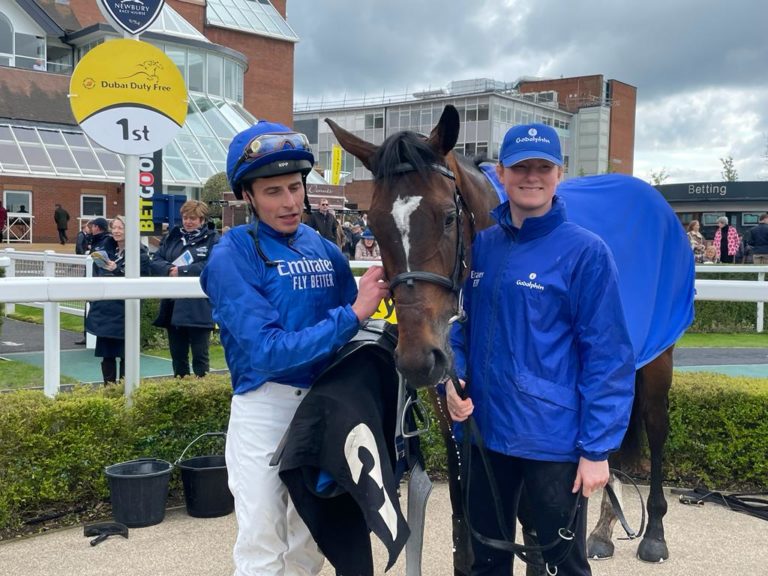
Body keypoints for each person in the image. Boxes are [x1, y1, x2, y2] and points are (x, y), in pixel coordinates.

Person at [200, 120, 388, 576]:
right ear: (248, 196)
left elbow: (354, 323)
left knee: (310, 541)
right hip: (265, 406)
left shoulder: (324, 248)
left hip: (324, 408)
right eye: (272, 192)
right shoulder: (232, 254)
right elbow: (266, 352)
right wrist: (355, 314)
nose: (289, 202)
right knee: (263, 540)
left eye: (294, 187)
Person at [446, 123, 636, 576]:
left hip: (553, 443)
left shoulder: (586, 253)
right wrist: (451, 377)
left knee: (562, 567)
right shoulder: (482, 246)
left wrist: (596, 449)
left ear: (558, 174)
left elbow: (608, 357)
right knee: (484, 562)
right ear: (500, 173)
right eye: (521, 167)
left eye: (543, 167)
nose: (532, 177)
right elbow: (460, 325)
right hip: (484, 435)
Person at [150, 200, 218, 379]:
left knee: (200, 356)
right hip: (173, 306)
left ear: (202, 220)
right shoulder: (173, 236)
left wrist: (181, 271)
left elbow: (212, 265)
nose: (188, 222)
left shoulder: (213, 239)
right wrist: (169, 269)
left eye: (193, 218)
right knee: (178, 357)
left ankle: (202, 393)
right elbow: (156, 259)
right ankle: (181, 390)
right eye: (185, 218)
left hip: (199, 307)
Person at [85, 217, 149, 384]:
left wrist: (117, 270)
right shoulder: (104, 250)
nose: (117, 231)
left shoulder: (139, 254)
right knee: (107, 355)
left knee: (126, 354)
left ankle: (125, 390)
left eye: (121, 228)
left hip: (124, 312)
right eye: (114, 227)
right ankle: (109, 390)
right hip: (104, 311)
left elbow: (141, 278)